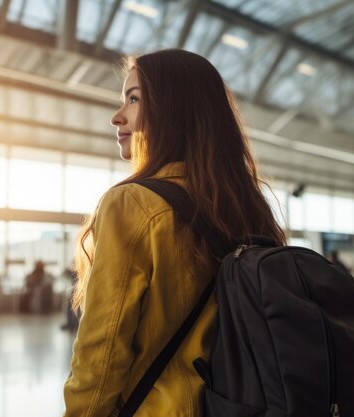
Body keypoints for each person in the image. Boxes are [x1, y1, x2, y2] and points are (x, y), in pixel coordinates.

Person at [63, 49, 286, 416]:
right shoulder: (247, 208)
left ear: (172, 109)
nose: (116, 117)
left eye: (133, 99)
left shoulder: (132, 204)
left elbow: (101, 353)